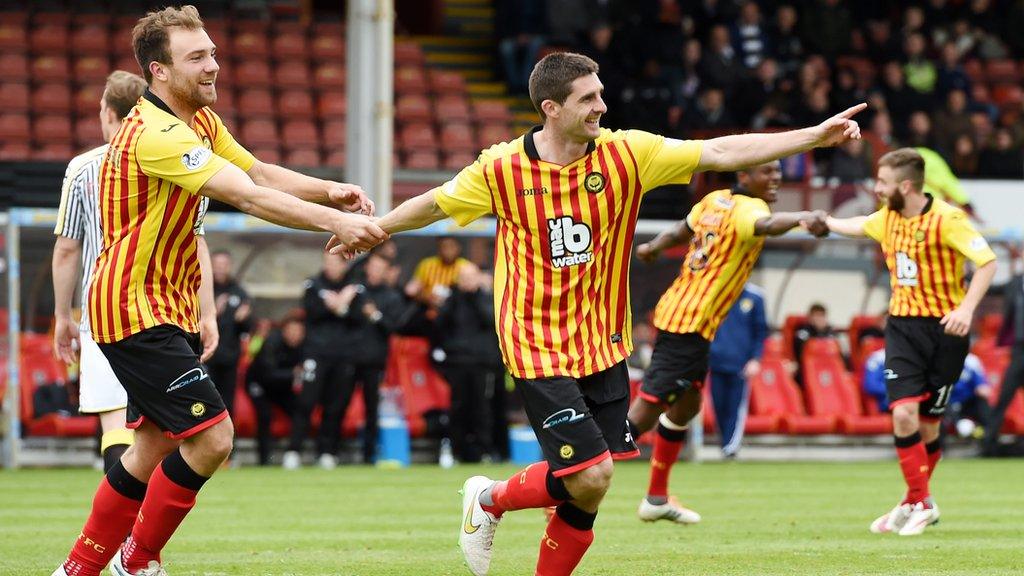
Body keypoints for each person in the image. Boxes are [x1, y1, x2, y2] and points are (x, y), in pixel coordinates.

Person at [331, 52, 864, 576]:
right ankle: (490, 500)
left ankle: (490, 498)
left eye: (601, 94)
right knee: (591, 473)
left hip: (602, 341)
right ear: (551, 107)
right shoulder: (500, 168)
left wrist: (813, 136)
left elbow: (721, 151)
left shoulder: (630, 154)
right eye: (588, 98)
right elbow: (436, 203)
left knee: (589, 484)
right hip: (534, 340)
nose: (601, 107)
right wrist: (375, 231)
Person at [53, 7, 385, 576]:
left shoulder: (198, 122)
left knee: (153, 444)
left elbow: (257, 173)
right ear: (159, 72)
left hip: (166, 303)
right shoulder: (155, 133)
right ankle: (135, 561)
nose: (214, 65)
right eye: (197, 57)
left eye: (212, 52)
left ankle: (79, 568)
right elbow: (248, 199)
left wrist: (330, 190)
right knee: (213, 438)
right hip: (132, 308)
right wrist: (334, 225)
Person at [629, 161, 828, 525]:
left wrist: (653, 247)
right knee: (645, 412)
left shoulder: (713, 200)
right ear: (744, 176)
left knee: (687, 404)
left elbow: (681, 230)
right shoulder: (751, 209)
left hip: (686, 318)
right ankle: (570, 479)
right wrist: (802, 217)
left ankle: (657, 497)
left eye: (778, 171)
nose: (776, 177)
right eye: (767, 171)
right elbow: (765, 225)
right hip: (688, 325)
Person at [825, 148, 996, 536]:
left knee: (930, 426)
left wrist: (967, 310)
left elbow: (987, 262)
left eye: (883, 183)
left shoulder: (948, 219)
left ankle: (910, 502)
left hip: (946, 331)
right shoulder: (886, 219)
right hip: (902, 328)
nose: (877, 189)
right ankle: (922, 502)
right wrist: (822, 220)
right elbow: (855, 224)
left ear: (905, 185)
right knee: (903, 413)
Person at [52, 70, 151, 473]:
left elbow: (66, 249)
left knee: (115, 421)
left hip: (104, 308)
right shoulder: (170, 161)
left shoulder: (84, 168)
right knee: (158, 428)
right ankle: (146, 528)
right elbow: (196, 243)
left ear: (109, 114)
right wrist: (207, 314)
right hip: (162, 308)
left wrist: (63, 315)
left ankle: (122, 529)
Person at [333, 250, 408, 465]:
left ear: (386, 272)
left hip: (374, 361)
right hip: (350, 357)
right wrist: (344, 304)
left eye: (379, 269)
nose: (374, 272)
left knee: (371, 409)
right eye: (372, 267)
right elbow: (344, 318)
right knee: (339, 404)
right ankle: (330, 452)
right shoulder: (356, 291)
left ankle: (369, 456)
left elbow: (393, 328)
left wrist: (375, 315)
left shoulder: (392, 297)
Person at [284, 253, 356, 470]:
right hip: (315, 353)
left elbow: (359, 318)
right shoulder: (313, 285)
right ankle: (293, 450)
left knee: (335, 405)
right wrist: (338, 306)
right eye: (328, 262)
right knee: (306, 402)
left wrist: (341, 306)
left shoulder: (355, 287)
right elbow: (312, 312)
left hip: (342, 355)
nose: (331, 267)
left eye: (336, 263)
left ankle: (327, 451)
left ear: (344, 265)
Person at [432, 261, 504, 463]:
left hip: (482, 362)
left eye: (471, 277)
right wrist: (454, 297)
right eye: (463, 278)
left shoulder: (486, 297)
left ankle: (484, 451)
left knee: (482, 408)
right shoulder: (452, 299)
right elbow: (439, 325)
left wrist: (474, 296)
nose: (467, 282)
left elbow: (491, 319)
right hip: (457, 361)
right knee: (458, 407)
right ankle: (456, 451)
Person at [865, 348, 991, 435]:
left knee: (982, 405)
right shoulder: (878, 358)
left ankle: (989, 443)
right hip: (896, 400)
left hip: (958, 400)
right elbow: (870, 385)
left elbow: (983, 387)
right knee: (931, 405)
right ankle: (937, 449)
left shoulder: (970, 360)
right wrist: (903, 390)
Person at [708, 283, 768, 459]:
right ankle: (725, 443)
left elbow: (761, 331)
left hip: (741, 364)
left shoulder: (755, 297)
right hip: (716, 361)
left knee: (735, 406)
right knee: (718, 404)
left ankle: (731, 446)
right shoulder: (715, 293)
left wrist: (755, 359)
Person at [245, 313, 304, 466]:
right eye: (292, 331)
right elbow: (267, 374)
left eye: (298, 332)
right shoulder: (270, 343)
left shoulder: (303, 347)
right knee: (264, 415)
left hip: (281, 388)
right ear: (284, 331)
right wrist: (293, 373)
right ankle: (264, 459)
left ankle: (293, 452)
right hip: (260, 384)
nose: (295, 336)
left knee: (301, 409)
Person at [982, 250, 1024, 456]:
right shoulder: (1015, 283)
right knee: (1003, 398)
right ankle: (988, 445)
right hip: (1019, 351)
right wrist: (969, 274)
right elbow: (989, 288)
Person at [206, 249, 252, 418]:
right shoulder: (203, 289)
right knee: (206, 401)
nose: (220, 269)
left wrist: (244, 319)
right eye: (217, 265)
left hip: (230, 357)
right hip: (205, 356)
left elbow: (247, 329)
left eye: (224, 265)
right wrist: (211, 311)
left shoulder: (239, 292)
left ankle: (227, 443)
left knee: (227, 403)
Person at [408, 235, 470, 311]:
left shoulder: (466, 266)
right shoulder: (427, 264)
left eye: (451, 246)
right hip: (428, 308)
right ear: (439, 249)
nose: (448, 251)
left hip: (455, 311)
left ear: (458, 248)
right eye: (444, 247)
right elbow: (411, 291)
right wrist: (426, 297)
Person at [791, 302, 840, 384]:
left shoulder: (831, 333)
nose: (819, 319)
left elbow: (840, 354)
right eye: (817, 316)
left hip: (829, 368)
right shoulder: (803, 332)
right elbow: (799, 353)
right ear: (810, 318)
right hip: (807, 369)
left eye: (822, 316)